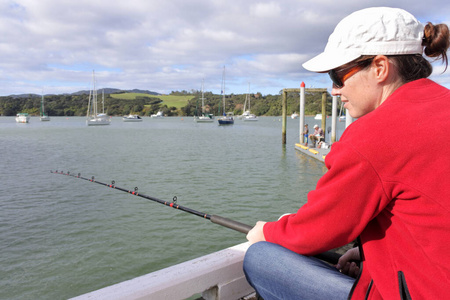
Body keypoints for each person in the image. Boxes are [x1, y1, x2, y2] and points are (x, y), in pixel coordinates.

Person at [244, 7, 450, 300]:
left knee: (260, 257)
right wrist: (370, 251)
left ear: (380, 67)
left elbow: (316, 230)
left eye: (338, 75)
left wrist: (267, 231)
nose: (333, 90)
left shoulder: (376, 134)